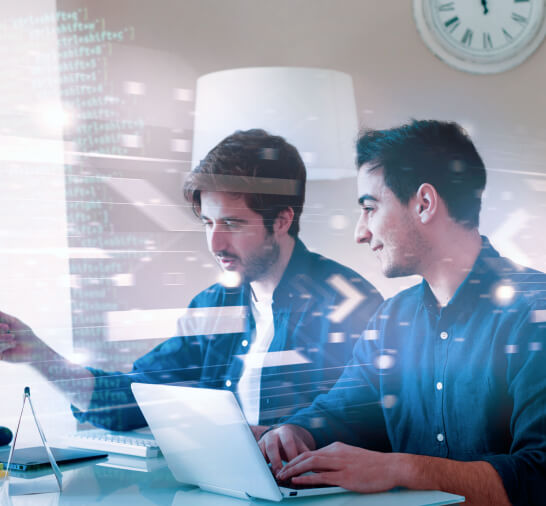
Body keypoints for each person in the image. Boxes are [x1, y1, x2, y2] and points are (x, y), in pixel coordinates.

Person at [0, 129, 382, 433]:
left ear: (281, 220)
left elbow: (369, 423)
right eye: (208, 223)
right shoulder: (214, 306)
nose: (215, 243)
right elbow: (132, 400)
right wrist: (38, 355)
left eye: (232, 223)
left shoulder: (347, 303)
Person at [259, 120, 546, 506]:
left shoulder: (534, 313)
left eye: (370, 208)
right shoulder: (394, 318)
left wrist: (400, 470)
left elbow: (539, 477)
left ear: (424, 203)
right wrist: (296, 431)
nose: (361, 232)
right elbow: (345, 409)